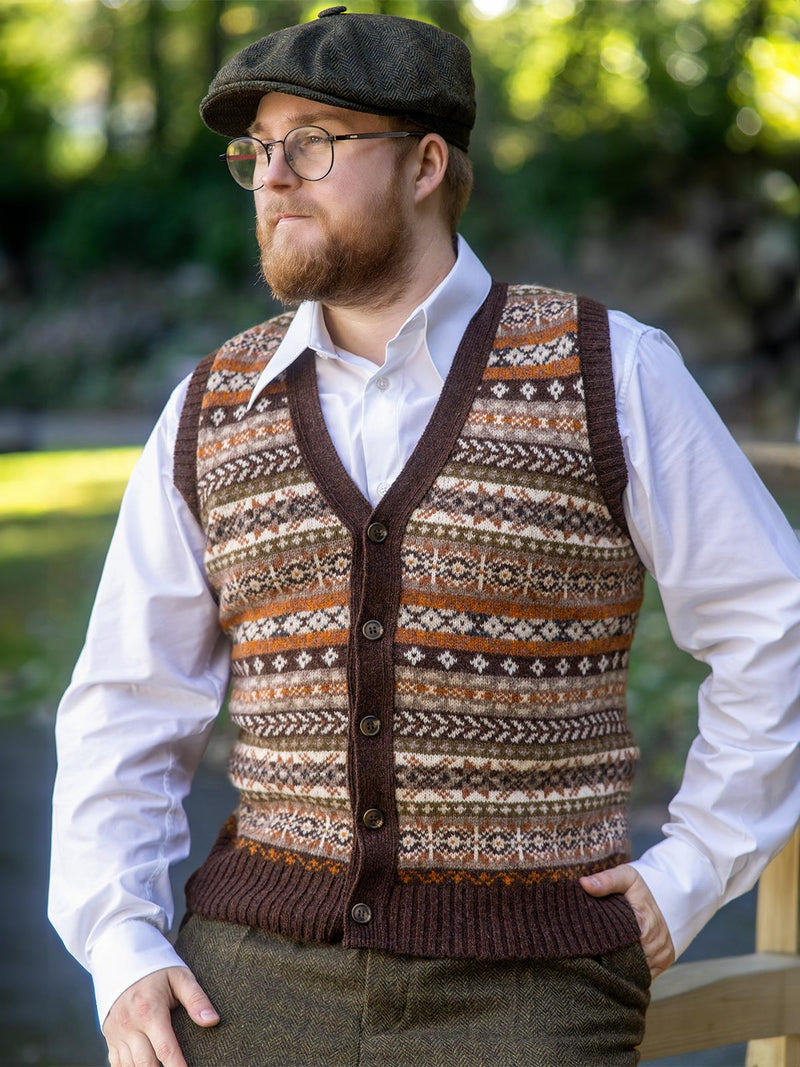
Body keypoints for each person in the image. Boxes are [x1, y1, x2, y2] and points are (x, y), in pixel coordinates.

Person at [49, 7, 800, 1067]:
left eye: (310, 143)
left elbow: (774, 622)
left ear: (424, 163)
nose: (271, 176)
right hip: (248, 975)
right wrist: (119, 937)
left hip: (532, 982)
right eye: (256, 152)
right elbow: (127, 697)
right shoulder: (212, 405)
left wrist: (690, 873)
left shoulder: (608, 372)